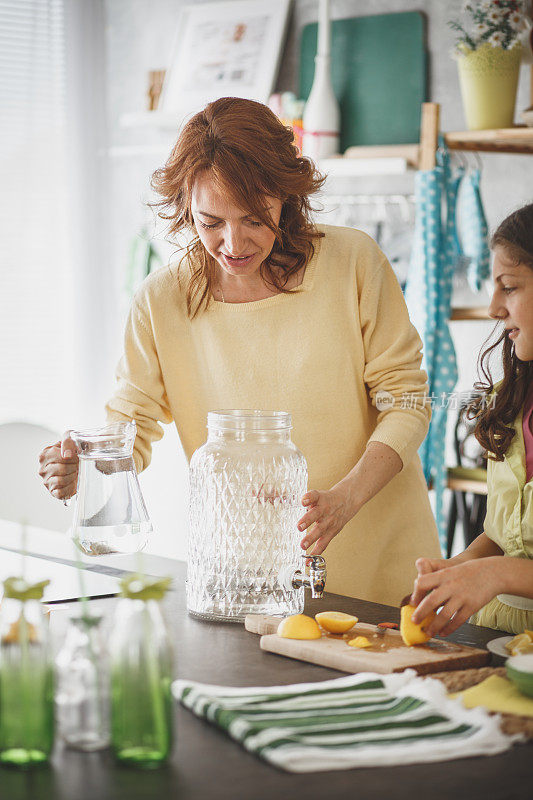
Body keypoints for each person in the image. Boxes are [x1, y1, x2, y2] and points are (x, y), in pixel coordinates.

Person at [38, 96, 440, 605]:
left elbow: (406, 402)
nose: (234, 243)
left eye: (254, 218)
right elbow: (130, 430)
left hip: (384, 574)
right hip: (249, 585)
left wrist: (345, 499)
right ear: (187, 206)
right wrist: (84, 467)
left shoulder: (354, 263)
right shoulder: (162, 301)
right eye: (211, 222)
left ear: (285, 195)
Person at [410, 203, 533, 637]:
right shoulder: (510, 402)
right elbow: (503, 536)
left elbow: (504, 564)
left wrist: (496, 575)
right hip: (496, 638)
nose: (493, 308)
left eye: (510, 287)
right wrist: (457, 569)